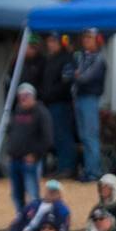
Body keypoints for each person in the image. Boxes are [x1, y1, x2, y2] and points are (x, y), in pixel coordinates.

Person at [4, 84, 53, 212]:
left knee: (33, 194)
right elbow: (10, 132)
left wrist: (35, 155)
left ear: (33, 96)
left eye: (26, 96)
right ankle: (21, 219)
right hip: (15, 159)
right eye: (20, 96)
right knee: (16, 194)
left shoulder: (41, 112)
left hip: (30, 161)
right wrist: (9, 151)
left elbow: (47, 138)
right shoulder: (17, 111)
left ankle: (36, 220)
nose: (23, 99)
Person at [67, 28, 107, 182]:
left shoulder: (99, 59)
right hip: (79, 97)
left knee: (90, 136)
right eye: (85, 38)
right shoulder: (81, 57)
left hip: (90, 98)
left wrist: (76, 75)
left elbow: (85, 78)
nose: (86, 41)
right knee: (83, 136)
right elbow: (69, 74)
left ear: (97, 40)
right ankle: (88, 169)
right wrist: (75, 75)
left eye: (89, 38)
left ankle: (94, 172)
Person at [38, 33, 75, 178]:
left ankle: (67, 168)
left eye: (53, 41)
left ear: (60, 43)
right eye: (49, 41)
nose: (50, 44)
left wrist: (49, 94)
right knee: (52, 137)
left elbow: (65, 84)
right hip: (49, 104)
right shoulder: (49, 60)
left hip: (61, 104)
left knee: (63, 136)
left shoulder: (67, 59)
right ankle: (59, 168)